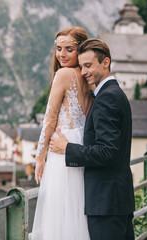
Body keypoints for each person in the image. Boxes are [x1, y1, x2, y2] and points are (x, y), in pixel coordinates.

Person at [49, 38, 135, 240]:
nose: (84, 72)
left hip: (106, 204)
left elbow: (108, 151)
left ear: (105, 63)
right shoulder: (115, 93)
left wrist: (68, 148)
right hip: (117, 199)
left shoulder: (107, 98)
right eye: (81, 66)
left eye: (88, 65)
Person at [31, 26, 92, 240]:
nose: (62, 54)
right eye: (58, 49)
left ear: (80, 50)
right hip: (81, 145)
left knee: (58, 211)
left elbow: (49, 118)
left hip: (63, 148)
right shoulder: (87, 75)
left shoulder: (63, 74)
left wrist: (40, 157)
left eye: (69, 49)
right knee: (77, 208)